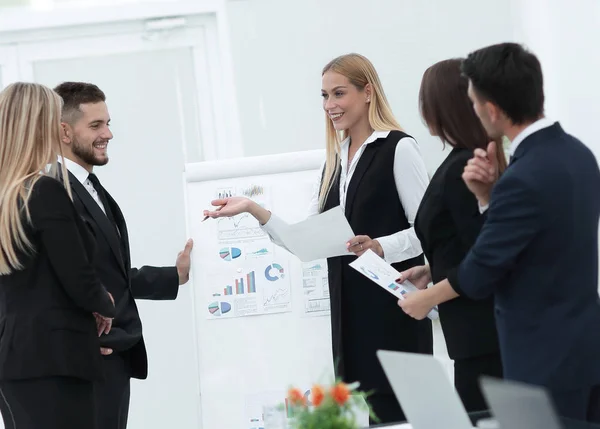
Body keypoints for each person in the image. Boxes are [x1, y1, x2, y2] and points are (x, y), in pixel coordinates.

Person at [204, 53, 432, 424]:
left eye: (339, 94)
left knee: (398, 417)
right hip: (349, 319)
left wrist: (380, 245)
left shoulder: (398, 148)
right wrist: (252, 208)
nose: (330, 106)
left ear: (368, 92)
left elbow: (426, 230)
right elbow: (301, 239)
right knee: (365, 417)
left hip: (394, 315)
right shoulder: (335, 161)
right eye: (324, 96)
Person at [398, 43, 600, 422]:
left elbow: (481, 270)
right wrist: (489, 199)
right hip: (585, 346)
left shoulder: (523, 176)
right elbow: (536, 244)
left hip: (541, 356)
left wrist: (428, 297)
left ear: (491, 109)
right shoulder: (579, 155)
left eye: (474, 103)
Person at [53, 81, 194, 429]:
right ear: (65, 132)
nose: (109, 134)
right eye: (97, 125)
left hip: (113, 354)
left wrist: (172, 276)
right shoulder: (53, 192)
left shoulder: (90, 186)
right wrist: (80, 337)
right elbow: (56, 279)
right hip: (88, 354)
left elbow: (105, 271)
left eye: (108, 123)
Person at [0, 82, 115, 428]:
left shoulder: (8, 196)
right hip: (56, 359)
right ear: (40, 126)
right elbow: (77, 276)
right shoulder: (44, 190)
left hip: (15, 358)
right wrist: (104, 303)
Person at [397, 58, 506, 412]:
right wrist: (431, 268)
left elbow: (483, 255)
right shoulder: (458, 159)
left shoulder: (465, 166)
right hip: (472, 330)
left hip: (482, 332)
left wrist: (428, 298)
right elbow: (468, 239)